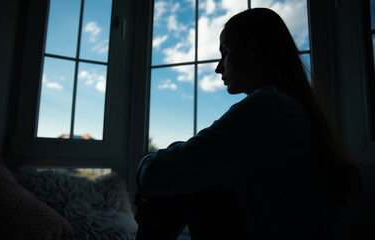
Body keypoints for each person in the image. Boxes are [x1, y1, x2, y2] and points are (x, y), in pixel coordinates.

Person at [135, 8, 362, 240]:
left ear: (253, 49)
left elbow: (157, 174)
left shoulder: (271, 107)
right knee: (188, 176)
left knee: (179, 175)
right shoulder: (290, 107)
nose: (218, 67)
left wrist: (144, 169)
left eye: (225, 52)